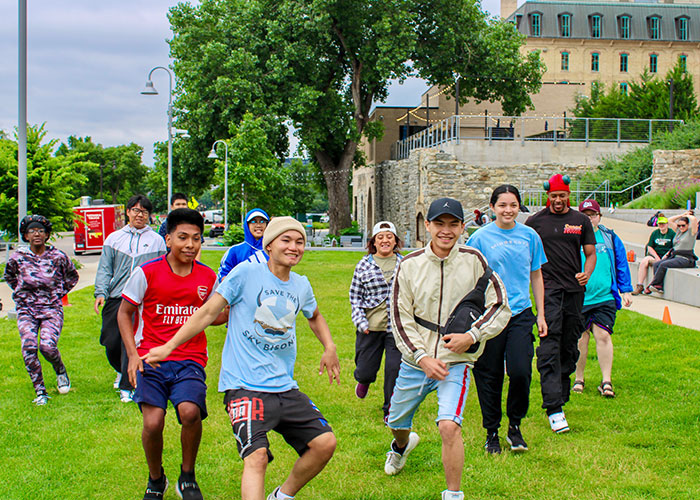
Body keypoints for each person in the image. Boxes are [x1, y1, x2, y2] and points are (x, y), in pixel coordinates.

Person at [142, 216, 340, 500]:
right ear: (269, 245)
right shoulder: (245, 274)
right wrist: (169, 346)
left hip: (284, 386)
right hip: (245, 387)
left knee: (325, 443)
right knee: (257, 457)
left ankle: (281, 496)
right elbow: (209, 312)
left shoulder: (301, 285)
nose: (294, 247)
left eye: (300, 242)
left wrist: (329, 346)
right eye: (286, 240)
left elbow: (315, 315)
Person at [386, 198, 510, 500]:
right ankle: (401, 446)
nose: (446, 230)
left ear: (462, 227)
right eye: (439, 223)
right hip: (416, 361)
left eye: (453, 223)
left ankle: (453, 494)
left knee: (449, 426)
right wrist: (422, 357)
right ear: (426, 226)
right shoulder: (409, 265)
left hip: (457, 361)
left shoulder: (474, 260)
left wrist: (472, 335)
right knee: (397, 422)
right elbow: (399, 317)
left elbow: (500, 304)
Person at [118, 209, 225, 500]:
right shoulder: (147, 273)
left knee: (190, 412)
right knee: (153, 423)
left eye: (197, 239)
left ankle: (187, 476)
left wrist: (234, 310)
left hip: (190, 359)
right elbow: (124, 312)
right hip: (151, 358)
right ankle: (156, 479)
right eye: (183, 238)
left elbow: (212, 315)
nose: (190, 245)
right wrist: (132, 355)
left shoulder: (207, 276)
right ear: (168, 239)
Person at [467, 185, 547, 454]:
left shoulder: (530, 236)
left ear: (518, 207)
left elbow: (536, 275)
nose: (508, 210)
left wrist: (541, 314)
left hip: (521, 314)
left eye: (513, 205)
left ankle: (515, 426)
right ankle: (492, 432)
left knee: (521, 371)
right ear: (492, 207)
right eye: (502, 205)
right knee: (488, 374)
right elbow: (471, 278)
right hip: (491, 314)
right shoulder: (479, 238)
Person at [525, 174, 596, 433]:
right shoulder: (535, 223)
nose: (557, 200)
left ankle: (560, 395)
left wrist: (586, 273)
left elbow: (590, 254)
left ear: (569, 195)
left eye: (562, 196)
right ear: (548, 196)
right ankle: (554, 407)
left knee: (569, 347)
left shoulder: (580, 221)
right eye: (553, 196)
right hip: (549, 292)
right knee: (549, 345)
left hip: (575, 293)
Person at [94, 194, 167, 403]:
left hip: (142, 300)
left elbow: (160, 270)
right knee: (110, 340)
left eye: (144, 211)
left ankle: (128, 386)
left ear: (149, 216)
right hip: (117, 297)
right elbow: (105, 269)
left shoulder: (157, 241)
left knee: (131, 343)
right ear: (127, 212)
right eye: (135, 210)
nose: (139, 215)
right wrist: (101, 293)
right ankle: (122, 370)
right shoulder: (114, 239)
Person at [4, 215, 79, 405]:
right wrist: (23, 294)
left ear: (46, 235)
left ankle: (60, 369)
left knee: (47, 346)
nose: (36, 234)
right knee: (29, 347)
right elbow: (10, 277)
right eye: (31, 231)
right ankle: (41, 392)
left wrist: (57, 293)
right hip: (26, 310)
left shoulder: (57, 256)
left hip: (51, 309)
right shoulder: (18, 258)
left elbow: (72, 277)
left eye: (40, 231)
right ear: (26, 236)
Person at [573, 200, 633, 399]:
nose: (589, 218)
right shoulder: (574, 237)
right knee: (581, 338)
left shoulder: (609, 237)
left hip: (604, 296)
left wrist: (625, 290)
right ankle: (579, 379)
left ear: (600, 216)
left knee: (603, 336)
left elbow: (621, 263)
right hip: (580, 297)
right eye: (585, 215)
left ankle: (606, 381)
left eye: (593, 214)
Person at [348, 220, 403, 420]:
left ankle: (390, 410)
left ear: (396, 241)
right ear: (374, 242)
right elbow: (355, 298)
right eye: (380, 237)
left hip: (396, 328)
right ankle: (364, 380)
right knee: (365, 369)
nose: (385, 240)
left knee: (394, 369)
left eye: (389, 237)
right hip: (370, 327)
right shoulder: (364, 265)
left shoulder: (404, 264)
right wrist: (361, 322)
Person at [644, 211, 698, 294]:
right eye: (679, 225)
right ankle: (659, 286)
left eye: (683, 225)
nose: (681, 227)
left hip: (685, 258)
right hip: (675, 256)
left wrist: (688, 216)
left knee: (663, 265)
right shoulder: (678, 232)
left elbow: (694, 220)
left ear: (688, 225)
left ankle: (655, 284)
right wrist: (682, 215)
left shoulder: (691, 233)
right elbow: (669, 220)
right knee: (656, 264)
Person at [218, 208, 270, 281]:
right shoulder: (235, 251)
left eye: (262, 221)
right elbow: (223, 275)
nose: (258, 225)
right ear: (247, 225)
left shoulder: (273, 250)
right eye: (253, 221)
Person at [632, 215, 674, 295]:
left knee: (660, 264)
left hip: (666, 256)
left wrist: (666, 255)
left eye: (663, 224)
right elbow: (650, 247)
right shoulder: (655, 233)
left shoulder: (671, 233)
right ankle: (640, 285)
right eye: (660, 224)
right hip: (656, 255)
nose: (661, 226)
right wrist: (656, 257)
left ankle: (654, 285)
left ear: (667, 224)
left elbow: (674, 247)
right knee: (644, 261)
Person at [158, 192, 204, 260]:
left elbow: (199, 246)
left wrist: (195, 265)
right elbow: (161, 247)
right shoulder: (166, 225)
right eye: (178, 204)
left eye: (183, 204)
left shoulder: (194, 223)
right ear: (172, 207)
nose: (181, 207)